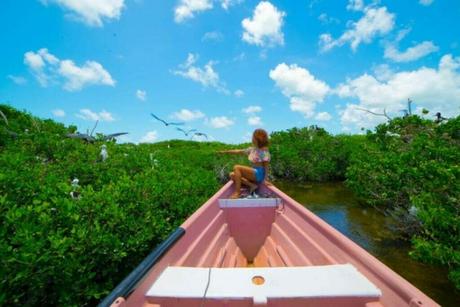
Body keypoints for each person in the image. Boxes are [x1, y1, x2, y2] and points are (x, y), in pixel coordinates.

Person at [218, 129, 272, 199]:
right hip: (254, 173)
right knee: (232, 175)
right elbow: (238, 151)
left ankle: (237, 192)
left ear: (257, 139)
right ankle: (252, 185)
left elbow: (266, 167)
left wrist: (265, 180)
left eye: (253, 137)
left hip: (259, 174)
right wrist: (224, 152)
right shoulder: (252, 149)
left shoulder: (264, 151)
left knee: (236, 167)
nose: (252, 139)